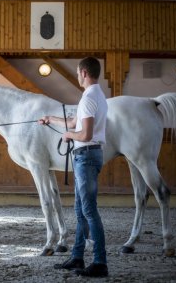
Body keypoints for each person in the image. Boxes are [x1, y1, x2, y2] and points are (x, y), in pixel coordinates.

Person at [38, 57, 109, 278]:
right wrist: (51, 119)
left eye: (78, 72)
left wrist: (69, 135)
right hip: (88, 155)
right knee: (80, 210)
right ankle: (78, 256)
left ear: (84, 73)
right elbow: (75, 122)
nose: (77, 76)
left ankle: (100, 262)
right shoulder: (95, 95)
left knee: (88, 210)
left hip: (85, 156)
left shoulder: (89, 98)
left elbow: (84, 134)